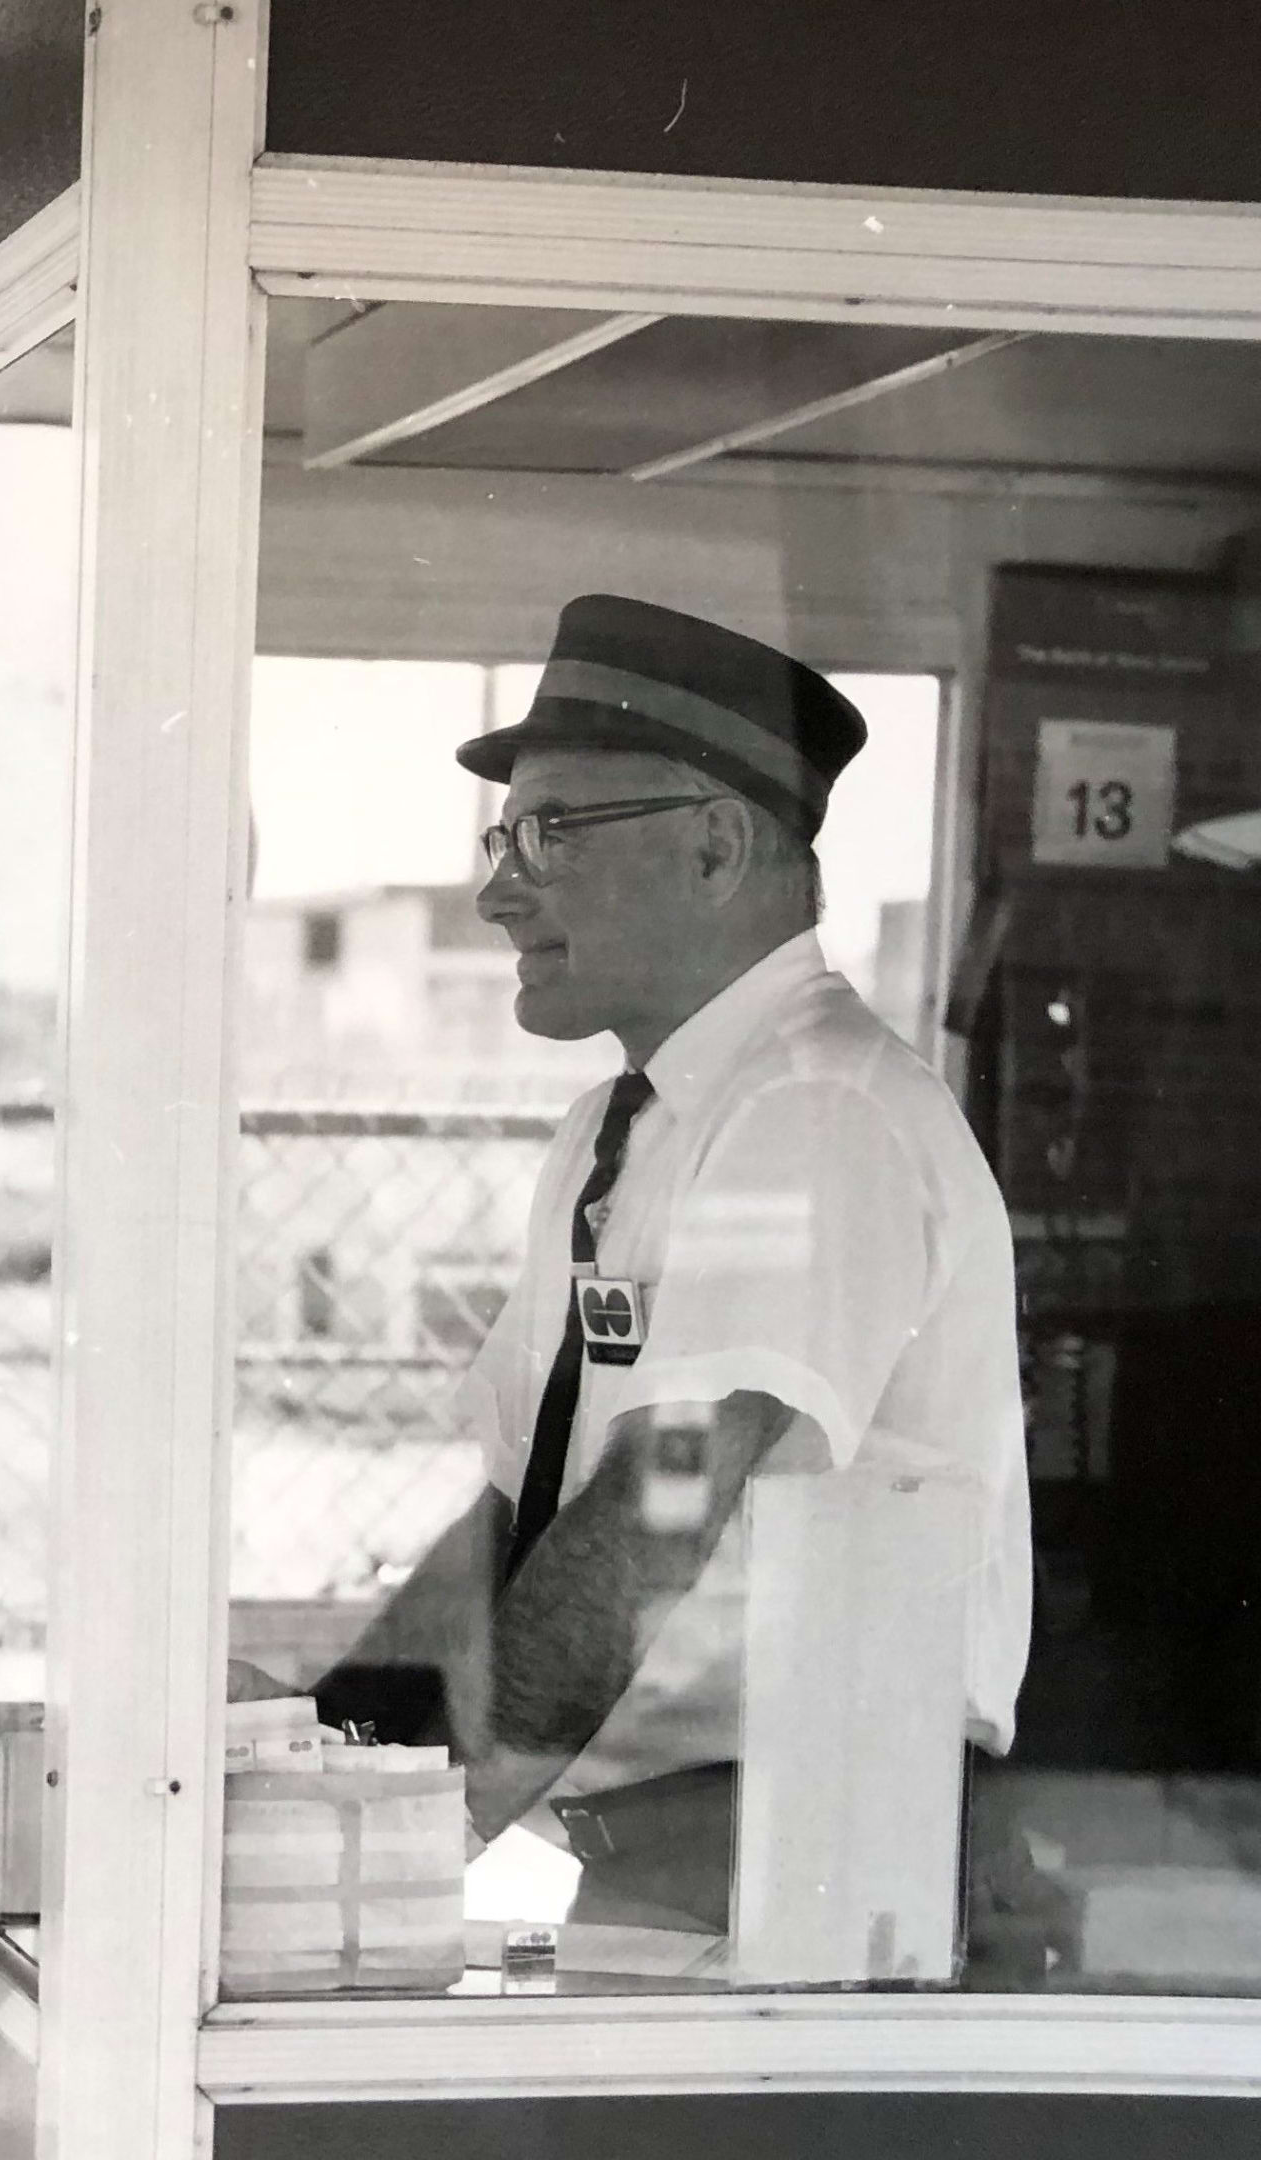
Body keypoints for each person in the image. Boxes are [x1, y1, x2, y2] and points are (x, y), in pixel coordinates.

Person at [310, 595, 1030, 1938]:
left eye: (551, 832)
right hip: (661, 1862)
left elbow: (659, 1513)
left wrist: (402, 1844)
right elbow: (510, 1522)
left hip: (801, 1861)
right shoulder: (626, 1128)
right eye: (499, 835)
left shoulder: (819, 1113)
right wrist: (321, 1780)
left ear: (715, 847)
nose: (496, 887)